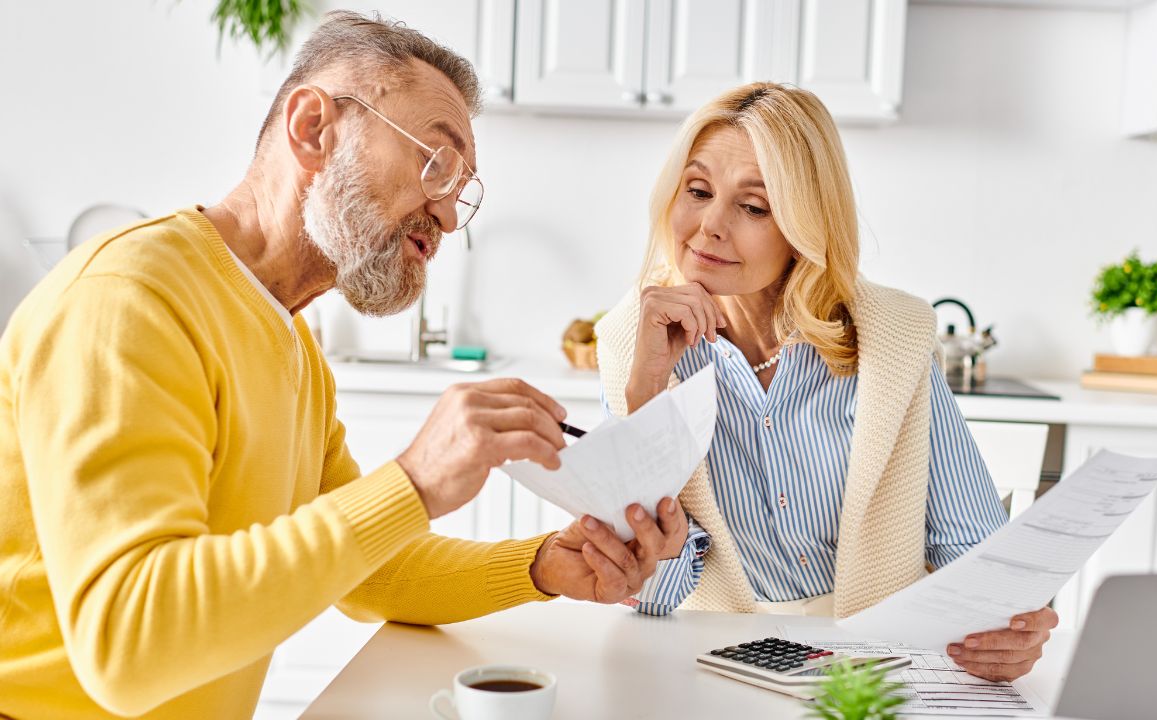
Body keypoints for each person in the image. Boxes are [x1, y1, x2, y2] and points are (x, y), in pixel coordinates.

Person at [0, 12, 683, 719]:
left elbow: (371, 570)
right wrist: (414, 481)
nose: (448, 216)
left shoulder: (294, 346)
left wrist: (544, 565)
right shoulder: (130, 302)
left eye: (462, 189)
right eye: (436, 163)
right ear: (312, 129)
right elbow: (128, 644)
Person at [593, 82, 1056, 682]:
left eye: (753, 207)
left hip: (876, 660)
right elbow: (651, 590)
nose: (709, 226)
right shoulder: (635, 340)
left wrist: (1011, 621)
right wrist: (646, 393)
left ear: (805, 226)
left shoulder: (892, 336)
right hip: (709, 662)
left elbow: (970, 545)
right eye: (698, 190)